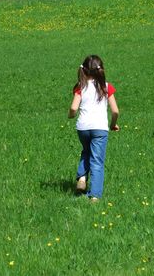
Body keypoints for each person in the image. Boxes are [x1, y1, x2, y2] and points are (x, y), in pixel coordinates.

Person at [68, 55, 119, 203]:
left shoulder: (80, 87)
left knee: (86, 151)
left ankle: (82, 178)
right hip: (100, 128)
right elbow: (115, 111)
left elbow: (73, 108)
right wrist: (113, 124)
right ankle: (95, 196)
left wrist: (71, 115)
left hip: (83, 128)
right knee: (97, 161)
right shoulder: (106, 86)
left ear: (84, 70)